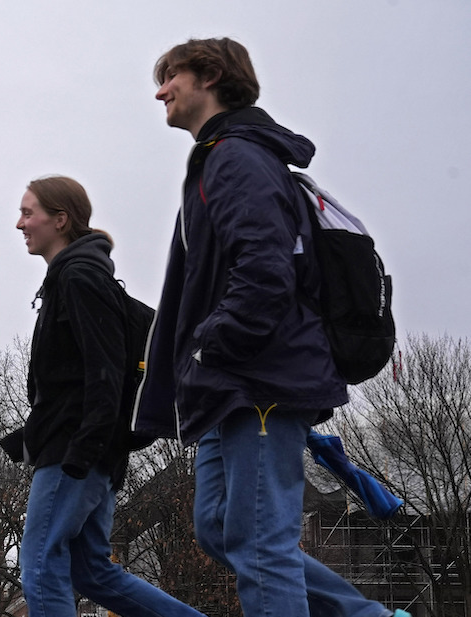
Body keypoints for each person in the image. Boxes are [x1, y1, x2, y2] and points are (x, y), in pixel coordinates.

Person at [134, 37, 410, 617]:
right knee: (218, 529)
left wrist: (210, 347)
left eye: (170, 77)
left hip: (255, 376)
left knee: (261, 545)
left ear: (208, 77)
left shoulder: (236, 157)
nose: (160, 90)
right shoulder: (222, 156)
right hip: (227, 385)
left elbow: (265, 272)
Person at [0, 175, 205, 617]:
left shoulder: (79, 279)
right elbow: (73, 380)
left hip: (76, 452)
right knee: (92, 572)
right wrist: (32, 433)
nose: (20, 223)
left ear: (60, 219)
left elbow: (105, 370)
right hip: (90, 450)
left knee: (39, 564)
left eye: (28, 212)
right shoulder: (74, 277)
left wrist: (83, 448)